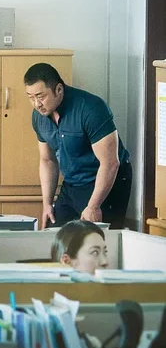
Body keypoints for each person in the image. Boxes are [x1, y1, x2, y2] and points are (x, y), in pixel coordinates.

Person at [24, 63, 132, 229]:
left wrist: (93, 206)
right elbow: (47, 160)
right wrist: (47, 204)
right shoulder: (39, 116)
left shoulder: (90, 108)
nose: (37, 104)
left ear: (59, 90)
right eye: (31, 98)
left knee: (96, 237)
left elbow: (110, 163)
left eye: (41, 96)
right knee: (55, 233)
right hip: (72, 182)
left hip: (104, 179)